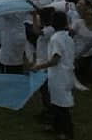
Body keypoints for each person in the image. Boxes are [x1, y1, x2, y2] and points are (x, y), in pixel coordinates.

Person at [32, 9, 75, 140]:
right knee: (58, 103)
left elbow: (55, 60)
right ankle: (56, 127)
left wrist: (38, 67)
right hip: (67, 73)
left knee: (60, 105)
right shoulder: (68, 37)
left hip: (58, 75)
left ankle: (66, 131)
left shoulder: (55, 39)